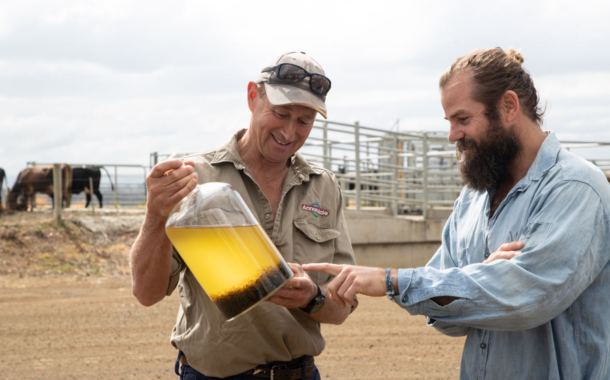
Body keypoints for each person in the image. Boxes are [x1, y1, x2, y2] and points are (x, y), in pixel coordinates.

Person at [304, 47, 610, 379]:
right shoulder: (472, 198)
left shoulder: (576, 187)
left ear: (508, 106)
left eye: (463, 119)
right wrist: (482, 279)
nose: (453, 135)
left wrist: (392, 280)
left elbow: (527, 299)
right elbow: (450, 318)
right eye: (450, 121)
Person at [130, 51, 356, 379]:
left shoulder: (323, 187)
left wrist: (312, 296)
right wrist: (155, 215)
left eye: (304, 121)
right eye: (280, 113)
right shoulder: (194, 177)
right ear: (253, 96)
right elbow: (146, 294)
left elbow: (341, 309)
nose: (290, 132)